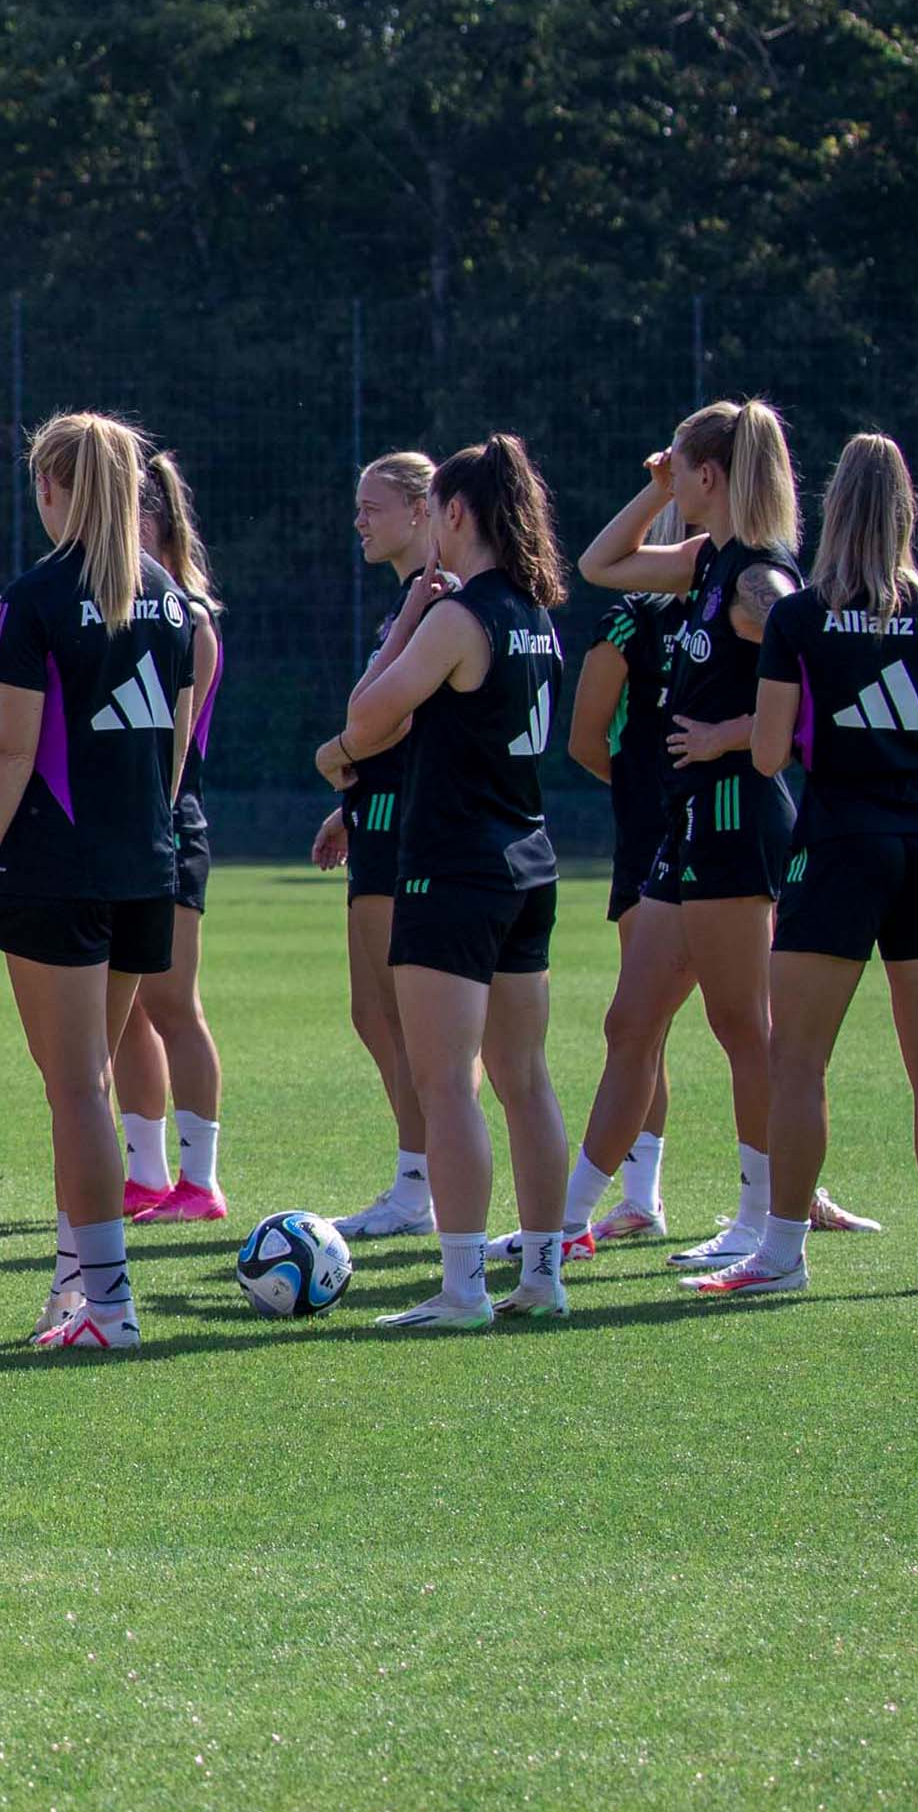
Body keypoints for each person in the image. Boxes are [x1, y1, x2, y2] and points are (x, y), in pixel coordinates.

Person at [577, 399, 872, 1268]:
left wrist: (729, 733)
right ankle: (565, 1222)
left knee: (743, 1026)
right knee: (631, 1020)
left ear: (713, 473)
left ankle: (761, 1219)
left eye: (678, 463)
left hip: (739, 815)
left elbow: (813, 684)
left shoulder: (756, 579)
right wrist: (656, 488)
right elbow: (602, 564)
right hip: (689, 819)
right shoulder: (708, 558)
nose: (668, 474)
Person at [698, 434, 918, 1295]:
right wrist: (907, 736)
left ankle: (783, 1254)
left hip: (838, 845)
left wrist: (828, 733)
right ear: (907, 509)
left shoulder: (799, 616)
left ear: (834, 509)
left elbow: (760, 755)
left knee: (798, 1059)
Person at [0, 410, 195, 1354]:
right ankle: (73, 1286)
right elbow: (169, 750)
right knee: (86, 1084)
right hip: (143, 867)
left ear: (52, 489)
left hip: (57, 872)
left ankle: (110, 1306)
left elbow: (7, 750)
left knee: (77, 1089)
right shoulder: (168, 594)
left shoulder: (37, 596)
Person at [335, 436, 578, 1329]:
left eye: (436, 509)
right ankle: (544, 1274)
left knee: (445, 1082)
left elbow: (365, 720)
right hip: (528, 860)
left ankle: (463, 1287)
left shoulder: (455, 616)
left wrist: (407, 620)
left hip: (453, 868)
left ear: (456, 515)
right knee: (525, 1077)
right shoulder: (537, 615)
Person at [315, 453, 445, 1239]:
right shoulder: (406, 599)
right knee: (373, 1013)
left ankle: (420, 1182)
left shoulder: (435, 597)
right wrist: (347, 801)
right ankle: (417, 1177)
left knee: (406, 1019)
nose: (359, 521)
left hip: (410, 824)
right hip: (377, 813)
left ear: (422, 509)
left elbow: (393, 718)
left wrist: (341, 753)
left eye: (372, 507)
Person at [552, 515, 690, 1250]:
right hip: (650, 850)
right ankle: (640, 1197)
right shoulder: (632, 618)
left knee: (750, 1029)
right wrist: (644, 793)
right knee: (644, 1026)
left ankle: (773, 1203)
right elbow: (583, 740)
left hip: (732, 837)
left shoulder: (756, 604)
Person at [109, 452, 232, 1223]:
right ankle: (147, 1173)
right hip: (121, 831)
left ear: (147, 524)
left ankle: (201, 1178)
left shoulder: (187, 615)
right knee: (120, 1010)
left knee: (171, 1003)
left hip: (167, 826)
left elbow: (177, 743)